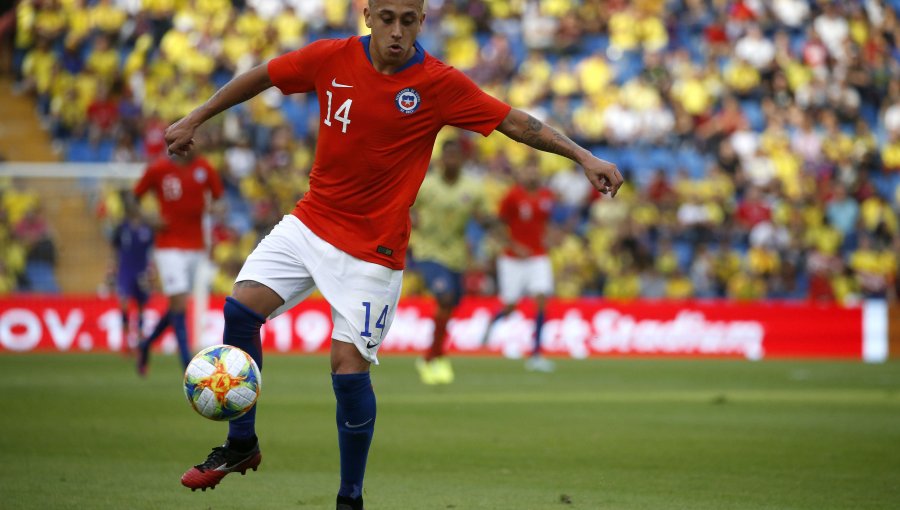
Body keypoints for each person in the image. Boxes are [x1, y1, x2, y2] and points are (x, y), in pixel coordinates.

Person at [163, 1, 622, 508]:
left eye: (408, 19)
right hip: (312, 222)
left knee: (346, 370)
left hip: (373, 253)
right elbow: (263, 76)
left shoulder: (438, 83)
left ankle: (350, 498)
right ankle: (240, 444)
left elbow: (517, 123)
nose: (397, 31)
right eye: (387, 18)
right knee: (240, 309)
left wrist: (584, 156)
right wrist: (196, 117)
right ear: (366, 16)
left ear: (422, 22)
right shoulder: (329, 58)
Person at [134, 151, 223, 375]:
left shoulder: (204, 167)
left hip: (196, 246)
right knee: (180, 302)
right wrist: (148, 218)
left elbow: (219, 198)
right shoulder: (158, 170)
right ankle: (187, 364)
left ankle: (145, 345)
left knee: (177, 305)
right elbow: (133, 197)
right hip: (168, 245)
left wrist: (214, 209)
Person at [410, 138, 485, 385]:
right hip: (427, 251)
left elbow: (483, 215)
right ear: (440, 159)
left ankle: (436, 354)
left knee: (452, 304)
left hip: (456, 256)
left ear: (462, 159)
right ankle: (432, 357)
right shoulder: (426, 185)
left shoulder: (473, 188)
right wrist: (412, 222)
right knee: (444, 296)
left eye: (456, 156)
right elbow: (406, 205)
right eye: (447, 155)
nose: (451, 160)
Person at [483, 154, 558, 372]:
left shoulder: (546, 196)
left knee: (542, 297)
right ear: (522, 172)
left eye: (535, 169)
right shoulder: (512, 196)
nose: (532, 173)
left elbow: (545, 223)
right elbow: (497, 227)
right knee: (510, 305)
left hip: (538, 257)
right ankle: (490, 326)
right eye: (528, 169)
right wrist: (515, 246)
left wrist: (550, 238)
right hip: (512, 259)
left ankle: (536, 354)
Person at [110, 197, 154, 351]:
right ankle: (126, 341)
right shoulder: (121, 228)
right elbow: (115, 247)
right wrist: (114, 266)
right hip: (125, 270)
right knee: (123, 303)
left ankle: (141, 339)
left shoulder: (146, 228)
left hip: (141, 271)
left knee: (141, 305)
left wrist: (151, 269)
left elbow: (151, 250)